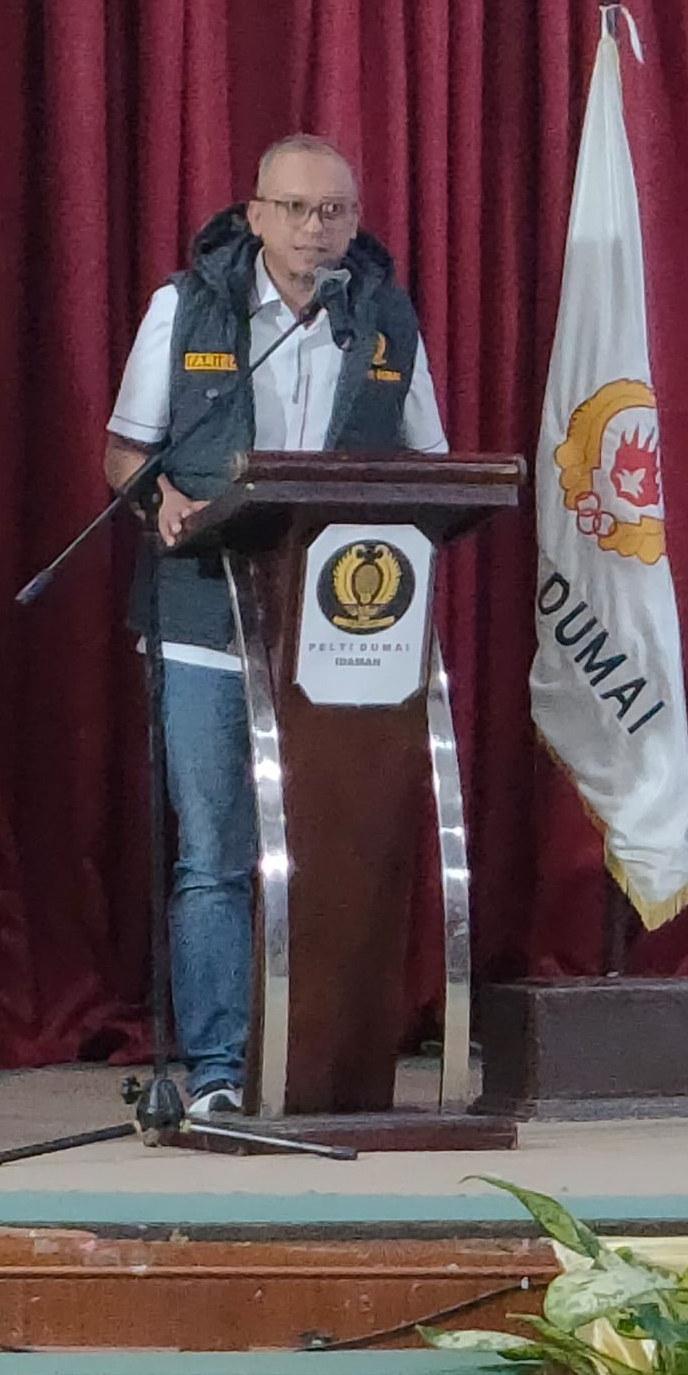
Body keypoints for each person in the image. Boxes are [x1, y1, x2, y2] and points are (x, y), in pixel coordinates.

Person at [103, 134, 447, 1116]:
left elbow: (432, 464)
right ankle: (218, 1071)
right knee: (214, 854)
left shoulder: (384, 317)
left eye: (333, 211)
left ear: (355, 219)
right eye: (294, 209)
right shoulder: (186, 309)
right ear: (255, 215)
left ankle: (321, 1066)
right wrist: (161, 498)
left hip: (343, 633)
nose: (314, 229)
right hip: (205, 617)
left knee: (334, 849)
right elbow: (124, 452)